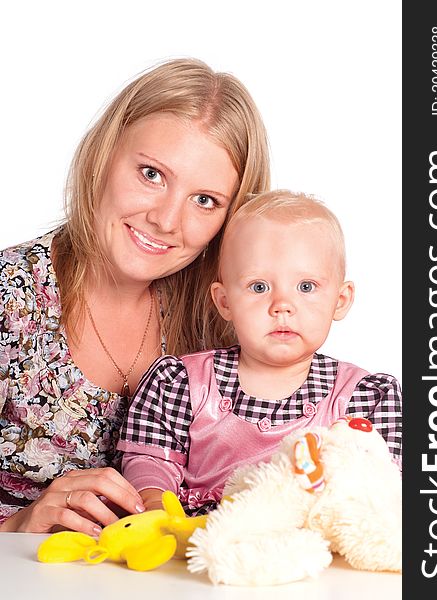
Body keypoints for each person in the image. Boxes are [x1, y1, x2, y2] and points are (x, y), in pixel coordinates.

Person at [0, 58, 271, 533]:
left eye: (204, 200)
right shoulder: (12, 295)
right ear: (104, 155)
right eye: (151, 174)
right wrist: (17, 527)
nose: (166, 220)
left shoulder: (224, 319)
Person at [118, 190, 402, 516]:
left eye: (306, 287)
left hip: (313, 550)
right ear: (224, 301)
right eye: (259, 287)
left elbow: (384, 488)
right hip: (200, 544)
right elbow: (151, 459)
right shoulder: (182, 384)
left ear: (340, 300)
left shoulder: (362, 399)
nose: (282, 305)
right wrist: (155, 505)